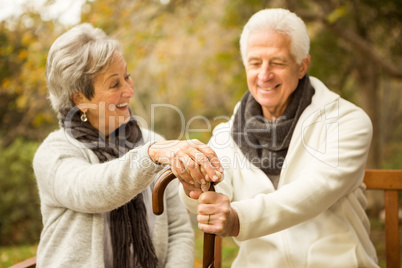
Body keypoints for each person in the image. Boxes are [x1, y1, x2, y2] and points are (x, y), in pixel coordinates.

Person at [179, 8, 379, 267]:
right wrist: (195, 185)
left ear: (301, 66)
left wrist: (238, 219)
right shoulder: (227, 135)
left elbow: (313, 192)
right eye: (255, 62)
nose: (264, 74)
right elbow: (214, 192)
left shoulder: (348, 122)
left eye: (277, 62)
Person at [33, 23, 223, 268]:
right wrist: (150, 155)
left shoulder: (153, 141)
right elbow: (91, 190)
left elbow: (178, 230)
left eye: (127, 76)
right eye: (115, 84)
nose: (129, 90)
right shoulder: (53, 153)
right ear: (80, 98)